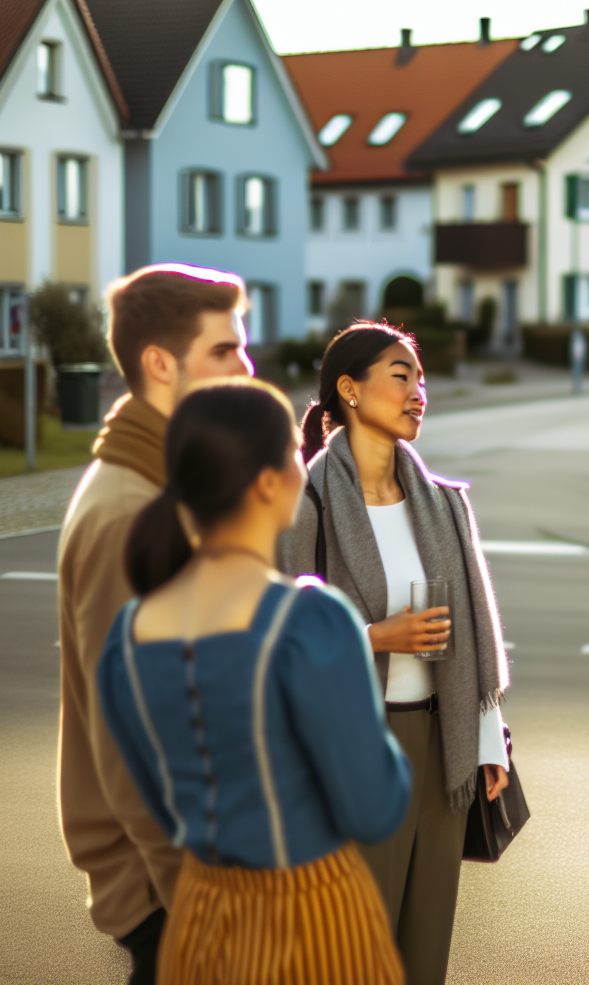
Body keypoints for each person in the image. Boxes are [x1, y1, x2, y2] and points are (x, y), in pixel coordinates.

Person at [97, 379, 412, 984]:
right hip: (314, 917)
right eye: (296, 454)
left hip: (200, 915)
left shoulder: (127, 636)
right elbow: (375, 807)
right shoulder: (311, 623)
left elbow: (158, 806)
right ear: (269, 482)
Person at [278, 320, 511, 985]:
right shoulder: (306, 502)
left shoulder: (442, 503)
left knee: (424, 944)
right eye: (402, 376)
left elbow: (470, 624)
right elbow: (278, 629)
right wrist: (377, 636)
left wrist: (488, 738)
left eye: (422, 379)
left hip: (444, 745)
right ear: (348, 390)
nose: (419, 393)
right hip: (354, 742)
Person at [56, 264, 253, 983]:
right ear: (160, 364)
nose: (247, 367)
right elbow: (127, 743)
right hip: (173, 899)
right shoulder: (127, 512)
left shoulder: (169, 488)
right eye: (225, 350)